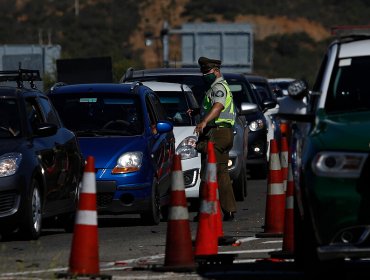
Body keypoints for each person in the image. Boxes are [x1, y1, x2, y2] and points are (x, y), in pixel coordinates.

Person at [194, 56, 237, 221]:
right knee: (221, 173)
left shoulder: (218, 87)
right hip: (223, 133)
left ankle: (206, 210)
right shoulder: (217, 87)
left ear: (216, 71)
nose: (204, 75)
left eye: (207, 71)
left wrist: (204, 121)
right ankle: (229, 209)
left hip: (217, 134)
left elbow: (218, 106)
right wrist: (199, 111)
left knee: (208, 173)